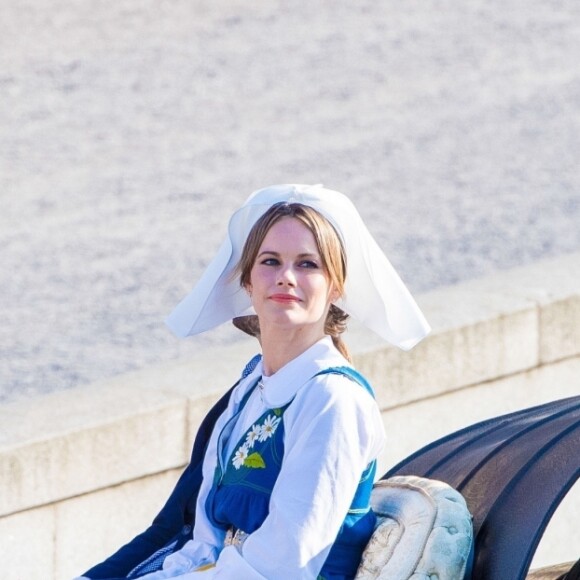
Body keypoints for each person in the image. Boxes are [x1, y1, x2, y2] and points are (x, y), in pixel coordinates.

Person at [77, 184, 430, 580]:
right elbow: (199, 538)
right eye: (270, 261)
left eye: (308, 264)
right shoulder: (249, 389)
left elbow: (282, 566)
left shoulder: (332, 400)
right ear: (247, 281)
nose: (286, 278)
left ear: (336, 286)